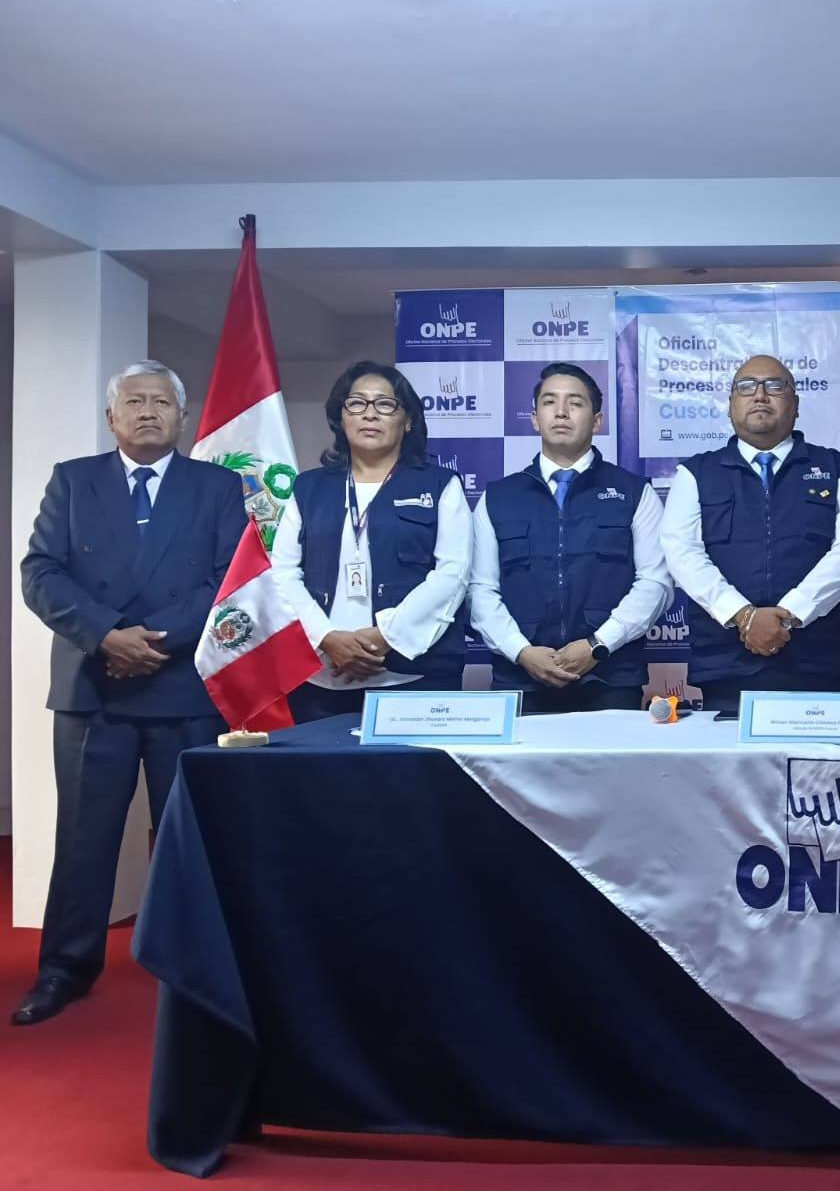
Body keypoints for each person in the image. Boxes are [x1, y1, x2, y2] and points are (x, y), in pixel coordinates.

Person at [15, 361, 246, 1025]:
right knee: (83, 839)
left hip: (182, 687)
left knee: (190, 838)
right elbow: (40, 572)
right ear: (111, 417)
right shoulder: (73, 480)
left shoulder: (217, 486)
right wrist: (107, 635)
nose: (148, 412)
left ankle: (197, 968)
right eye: (135, 401)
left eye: (162, 402)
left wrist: (150, 643)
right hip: (94, 688)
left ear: (183, 418)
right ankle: (63, 970)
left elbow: (230, 580)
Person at [661, 354, 840, 712]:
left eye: (774, 386)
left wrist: (789, 614)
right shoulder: (696, 473)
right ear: (731, 405)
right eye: (746, 387)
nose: (760, 395)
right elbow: (683, 554)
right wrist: (745, 616)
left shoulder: (835, 469)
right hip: (726, 664)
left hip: (816, 662)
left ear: (796, 405)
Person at [271, 361, 470, 721]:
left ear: (407, 420)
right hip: (322, 677)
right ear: (341, 417)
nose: (370, 414)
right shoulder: (309, 487)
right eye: (357, 403)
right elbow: (282, 573)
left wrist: (385, 637)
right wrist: (327, 637)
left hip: (414, 678)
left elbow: (452, 574)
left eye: (385, 404)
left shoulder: (440, 484)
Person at [470, 363, 672, 712]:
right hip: (520, 679)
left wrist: (597, 645)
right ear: (535, 419)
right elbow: (480, 589)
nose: (561, 412)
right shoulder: (498, 497)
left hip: (610, 678)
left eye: (575, 403)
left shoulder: (634, 492)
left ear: (597, 421)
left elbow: (655, 583)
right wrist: (521, 651)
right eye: (549, 402)